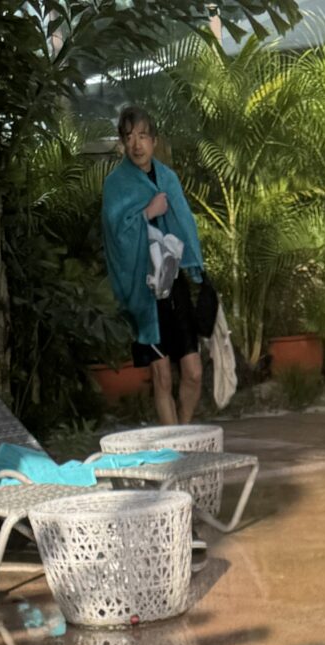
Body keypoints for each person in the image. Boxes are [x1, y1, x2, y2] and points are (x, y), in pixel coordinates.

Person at [101, 107, 206, 428]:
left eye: (143, 136)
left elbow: (186, 225)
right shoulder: (116, 184)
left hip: (174, 282)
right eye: (129, 137)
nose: (136, 144)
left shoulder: (168, 178)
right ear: (122, 142)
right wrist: (147, 213)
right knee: (161, 377)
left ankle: (183, 433)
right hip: (144, 288)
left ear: (154, 140)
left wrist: (197, 268)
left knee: (194, 372)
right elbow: (115, 235)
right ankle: (175, 450)